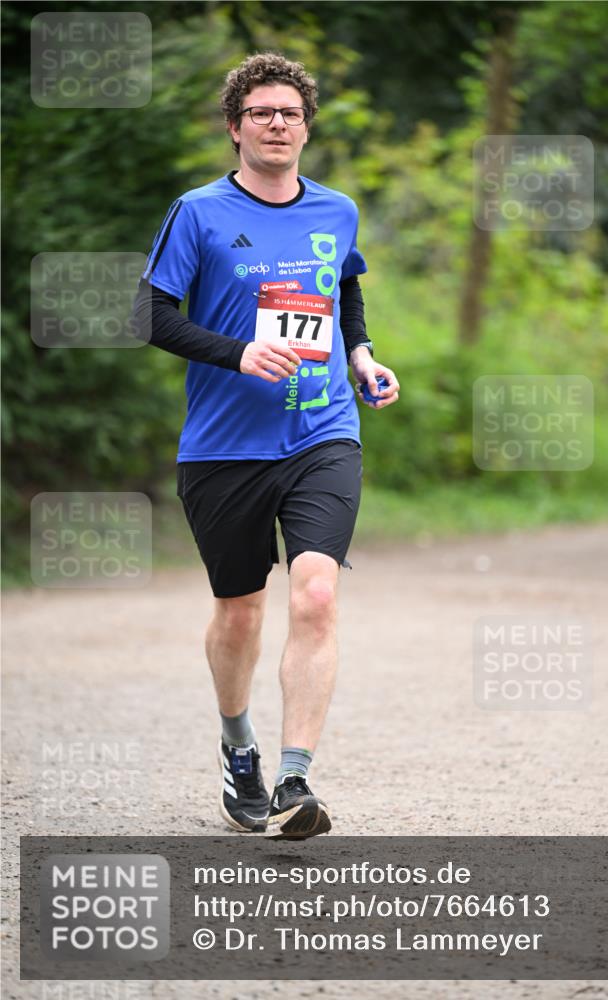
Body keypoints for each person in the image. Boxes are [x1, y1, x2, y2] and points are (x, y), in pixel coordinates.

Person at [132, 52, 399, 840]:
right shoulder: (199, 212)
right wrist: (237, 352)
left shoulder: (336, 210)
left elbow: (343, 286)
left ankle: (293, 775)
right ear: (234, 128)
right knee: (239, 610)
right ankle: (237, 745)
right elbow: (150, 316)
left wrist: (360, 355)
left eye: (289, 113)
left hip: (321, 430)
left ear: (307, 128)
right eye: (261, 113)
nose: (276, 124)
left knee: (315, 592)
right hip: (223, 447)